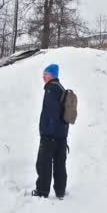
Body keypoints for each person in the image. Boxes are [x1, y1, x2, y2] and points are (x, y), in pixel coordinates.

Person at [33, 64, 69, 199]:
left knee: (43, 163)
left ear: (52, 75)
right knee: (60, 164)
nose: (43, 76)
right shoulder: (61, 89)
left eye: (45, 74)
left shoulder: (51, 89)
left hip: (50, 135)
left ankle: (42, 191)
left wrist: (47, 133)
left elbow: (52, 113)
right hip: (62, 135)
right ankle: (60, 191)